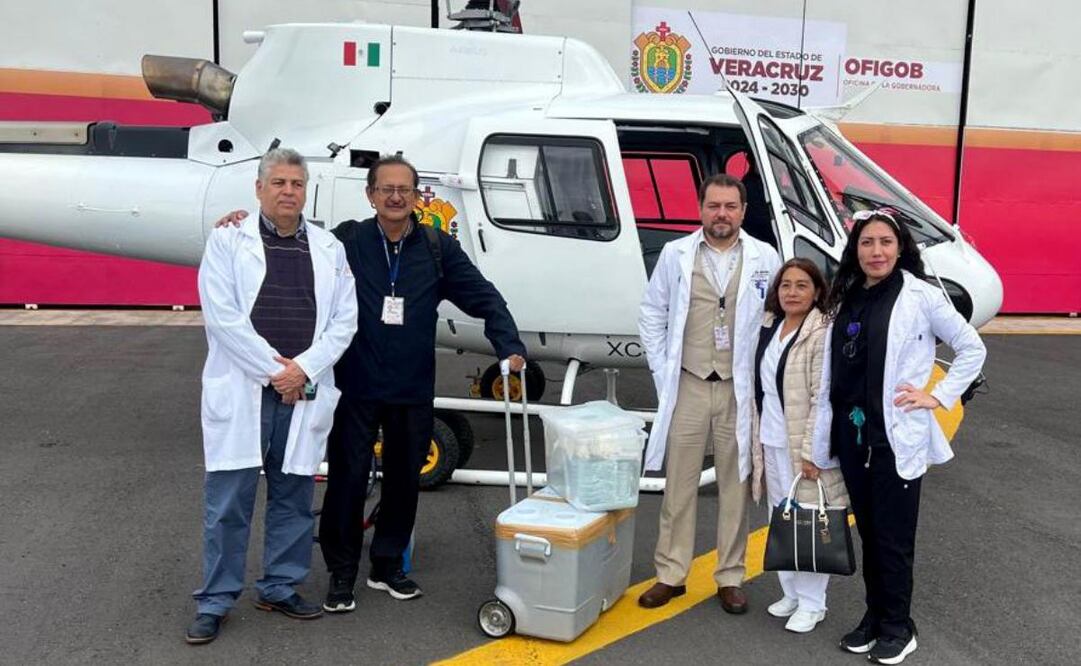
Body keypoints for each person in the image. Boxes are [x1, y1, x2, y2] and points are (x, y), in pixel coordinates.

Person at [215, 154, 526, 614]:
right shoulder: (348, 241)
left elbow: (484, 296)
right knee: (347, 481)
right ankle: (342, 573)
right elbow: (295, 239)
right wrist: (242, 222)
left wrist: (508, 344)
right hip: (356, 386)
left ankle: (386, 567)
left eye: (405, 190)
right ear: (371, 195)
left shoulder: (438, 248)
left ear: (419, 196)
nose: (396, 197)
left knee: (404, 481)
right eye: (386, 189)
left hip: (411, 387)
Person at [187, 148, 358, 644]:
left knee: (295, 496)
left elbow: (344, 320)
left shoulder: (329, 247)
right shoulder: (227, 239)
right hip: (248, 388)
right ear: (259, 189)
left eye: (297, 184)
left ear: (307, 191)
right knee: (228, 502)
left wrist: (301, 370)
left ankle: (279, 586)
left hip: (300, 390)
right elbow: (222, 317)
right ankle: (215, 600)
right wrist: (274, 372)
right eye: (278, 182)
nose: (288, 191)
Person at [815, 209, 986, 664]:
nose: (876, 251)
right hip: (852, 435)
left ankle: (898, 626)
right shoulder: (848, 295)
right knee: (870, 533)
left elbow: (972, 347)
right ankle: (874, 618)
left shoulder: (921, 296)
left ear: (900, 246)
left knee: (893, 538)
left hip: (894, 438)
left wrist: (938, 395)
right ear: (855, 249)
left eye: (885, 242)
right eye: (867, 243)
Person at [637, 173, 781, 613]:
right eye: (714, 206)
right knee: (678, 485)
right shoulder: (675, 254)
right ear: (701, 209)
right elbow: (652, 314)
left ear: (742, 211)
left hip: (738, 391)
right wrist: (666, 375)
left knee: (736, 486)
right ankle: (671, 573)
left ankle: (730, 576)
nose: (722, 214)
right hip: (689, 384)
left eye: (731, 207)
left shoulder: (765, 257)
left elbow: (777, 316)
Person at [749, 258, 849, 634]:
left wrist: (813, 451)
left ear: (817, 291)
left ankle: (813, 603)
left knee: (810, 523)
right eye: (786, 285)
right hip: (772, 440)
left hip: (803, 447)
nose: (792, 292)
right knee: (784, 519)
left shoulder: (821, 332)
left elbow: (822, 396)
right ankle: (790, 593)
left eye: (802, 285)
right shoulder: (771, 326)